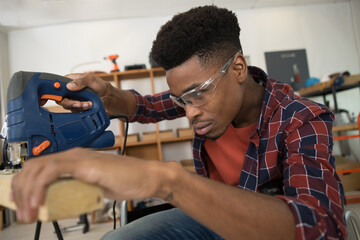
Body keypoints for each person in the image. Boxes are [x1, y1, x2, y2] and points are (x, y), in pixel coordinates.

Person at [11, 5, 346, 240]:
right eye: (180, 100)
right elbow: (144, 106)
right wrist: (107, 96)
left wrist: (168, 181)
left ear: (238, 69)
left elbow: (322, 229)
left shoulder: (301, 119)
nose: (189, 112)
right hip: (211, 214)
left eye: (197, 94)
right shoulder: (199, 101)